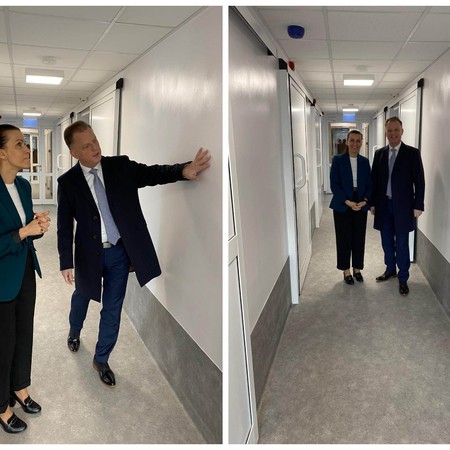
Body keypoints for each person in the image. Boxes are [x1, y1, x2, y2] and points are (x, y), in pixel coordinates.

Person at [57, 121, 211, 387]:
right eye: (86, 146)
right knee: (82, 296)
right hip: (88, 256)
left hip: (118, 253)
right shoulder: (68, 183)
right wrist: (65, 262)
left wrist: (183, 170)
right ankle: (74, 330)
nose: (95, 148)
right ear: (74, 153)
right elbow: (63, 226)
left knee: (113, 308)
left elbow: (153, 173)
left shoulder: (120, 166)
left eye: (95, 141)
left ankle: (101, 358)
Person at [0, 124, 51, 434]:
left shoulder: (22, 186)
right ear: (2, 152)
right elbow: (16, 234)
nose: (26, 149)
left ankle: (20, 387)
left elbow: (26, 230)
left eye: (25, 143)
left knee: (23, 334)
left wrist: (37, 226)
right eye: (19, 144)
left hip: (24, 271)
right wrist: (22, 233)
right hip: (1, 280)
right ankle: (1, 406)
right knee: (3, 342)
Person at [370, 116, 425, 296]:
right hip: (383, 206)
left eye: (396, 130)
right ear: (386, 133)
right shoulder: (379, 154)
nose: (393, 133)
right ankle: (390, 269)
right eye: (389, 130)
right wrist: (372, 203)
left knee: (402, 243)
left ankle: (403, 278)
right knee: (386, 241)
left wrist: (418, 205)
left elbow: (420, 181)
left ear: (402, 131)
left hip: (404, 207)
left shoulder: (412, 153)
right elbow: (374, 181)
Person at [330, 129, 372, 285]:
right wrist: (347, 201)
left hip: (360, 202)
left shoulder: (364, 162)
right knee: (344, 238)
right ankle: (346, 270)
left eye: (358, 141)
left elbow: (370, 184)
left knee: (359, 237)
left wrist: (365, 201)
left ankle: (357, 269)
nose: (355, 144)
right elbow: (334, 184)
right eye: (352, 140)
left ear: (361, 143)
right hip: (343, 203)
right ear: (347, 142)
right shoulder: (338, 160)